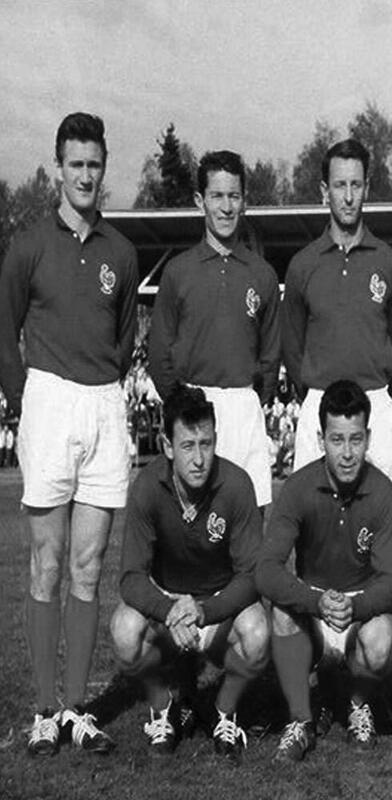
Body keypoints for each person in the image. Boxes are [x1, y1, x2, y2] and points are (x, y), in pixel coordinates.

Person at [0, 113, 138, 756]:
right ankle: (41, 709)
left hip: (103, 405)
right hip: (49, 399)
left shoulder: (121, 251)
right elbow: (4, 329)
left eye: (95, 164)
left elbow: (125, 334)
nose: (85, 175)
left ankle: (78, 709)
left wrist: (101, 389)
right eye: (75, 163)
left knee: (88, 566)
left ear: (104, 168)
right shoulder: (28, 244)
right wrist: (26, 396)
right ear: (59, 166)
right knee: (47, 563)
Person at [111, 386, 267, 763]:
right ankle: (162, 707)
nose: (199, 458)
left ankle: (223, 710)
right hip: (168, 611)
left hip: (216, 609)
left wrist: (203, 611)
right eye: (187, 446)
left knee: (259, 632)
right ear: (167, 445)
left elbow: (252, 576)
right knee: (123, 631)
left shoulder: (237, 484)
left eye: (206, 443)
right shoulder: (147, 487)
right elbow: (131, 576)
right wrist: (169, 610)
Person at [256, 380, 392, 761]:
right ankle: (301, 719)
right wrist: (315, 601)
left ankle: (357, 705)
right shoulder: (299, 487)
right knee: (282, 613)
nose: (348, 453)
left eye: (356, 439)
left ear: (368, 438)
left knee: (384, 634)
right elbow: (267, 570)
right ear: (321, 439)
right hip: (314, 604)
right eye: (337, 440)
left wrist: (356, 607)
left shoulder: (384, 493)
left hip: (358, 610)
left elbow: (389, 584)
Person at [149, 150, 280, 506]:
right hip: (194, 409)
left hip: (243, 408)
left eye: (234, 196)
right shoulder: (178, 272)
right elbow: (159, 353)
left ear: (245, 202)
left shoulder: (262, 275)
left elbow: (271, 354)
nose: (226, 207)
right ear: (199, 201)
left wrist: (254, 400)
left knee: (250, 525)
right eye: (217, 196)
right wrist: (182, 408)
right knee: (194, 530)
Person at [282, 139, 392, 484]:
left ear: (367, 188)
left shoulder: (390, 263)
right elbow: (292, 347)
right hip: (319, 405)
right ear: (325, 191)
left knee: (381, 524)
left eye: (356, 185)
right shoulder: (302, 265)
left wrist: (376, 390)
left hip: (375, 405)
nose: (348, 196)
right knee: (316, 524)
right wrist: (314, 393)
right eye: (340, 185)